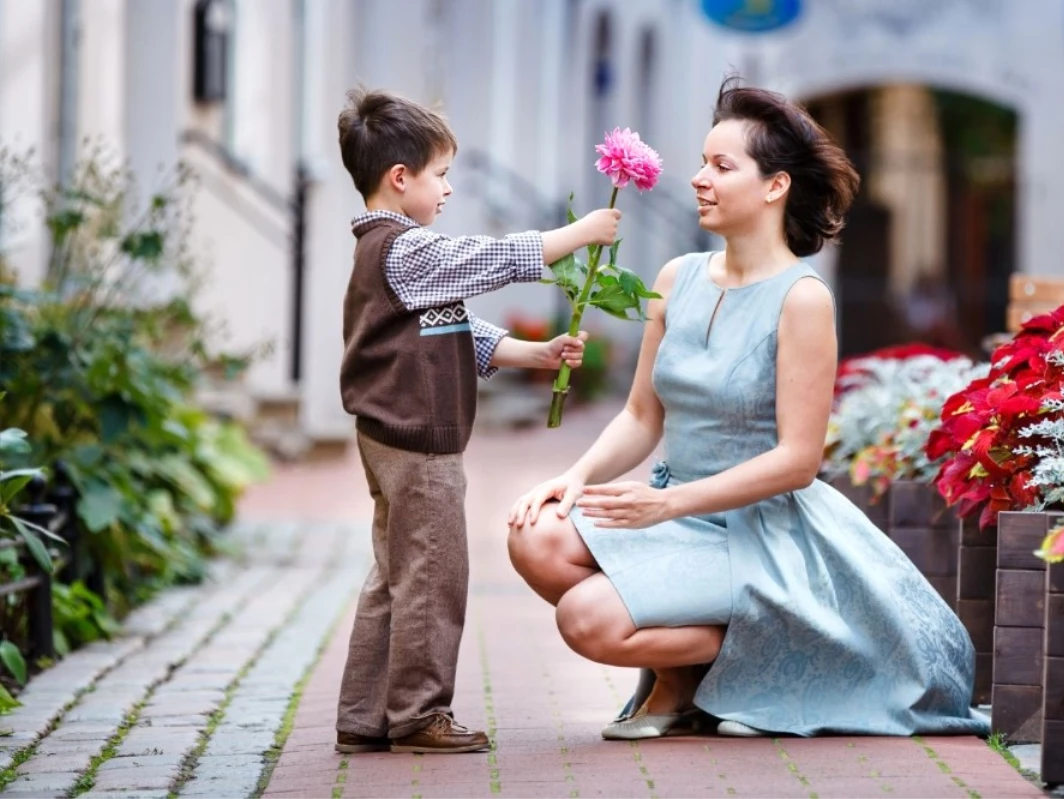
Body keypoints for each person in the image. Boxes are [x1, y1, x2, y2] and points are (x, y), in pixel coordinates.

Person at [506, 78, 989, 740]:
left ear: (774, 186)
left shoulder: (803, 299)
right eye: (703, 162)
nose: (699, 179)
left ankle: (765, 649)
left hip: (762, 533)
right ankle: (685, 686)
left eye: (721, 166)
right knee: (533, 537)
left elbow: (798, 461)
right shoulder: (675, 277)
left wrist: (669, 505)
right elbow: (642, 416)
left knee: (586, 619)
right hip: (676, 511)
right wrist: (578, 476)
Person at [334, 88, 621, 754]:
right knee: (435, 574)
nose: (449, 188)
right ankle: (419, 712)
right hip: (418, 442)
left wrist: (537, 355)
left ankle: (365, 711)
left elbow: (457, 327)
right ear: (399, 179)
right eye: (439, 174)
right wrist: (578, 235)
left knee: (396, 571)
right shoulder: (404, 250)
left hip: (391, 435)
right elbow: (489, 261)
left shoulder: (396, 258)